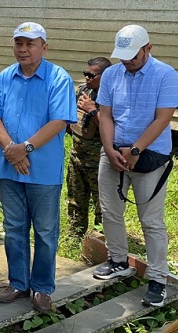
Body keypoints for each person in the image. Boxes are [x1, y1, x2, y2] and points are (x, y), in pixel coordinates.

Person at [0, 22, 76, 313]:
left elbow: (59, 121)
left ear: (44, 47)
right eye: (18, 44)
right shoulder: (3, 78)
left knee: (46, 231)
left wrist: (22, 148)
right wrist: (11, 150)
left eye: (30, 44)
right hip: (8, 166)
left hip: (43, 169)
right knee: (14, 228)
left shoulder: (58, 78)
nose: (23, 49)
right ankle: (18, 282)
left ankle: (42, 287)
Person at [94, 25, 178, 308]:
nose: (127, 61)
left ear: (148, 48)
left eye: (133, 55)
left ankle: (158, 278)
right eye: (123, 56)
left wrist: (135, 150)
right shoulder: (111, 74)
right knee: (110, 211)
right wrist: (109, 149)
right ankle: (118, 259)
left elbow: (162, 119)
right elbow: (104, 114)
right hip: (113, 153)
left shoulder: (166, 75)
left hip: (150, 156)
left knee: (151, 221)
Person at [66, 57, 112, 237]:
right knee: (76, 199)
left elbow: (113, 129)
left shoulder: (111, 96)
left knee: (102, 204)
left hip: (99, 160)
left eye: (91, 75)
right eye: (85, 74)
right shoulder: (83, 91)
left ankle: (100, 239)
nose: (87, 78)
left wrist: (92, 110)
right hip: (77, 156)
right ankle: (75, 235)